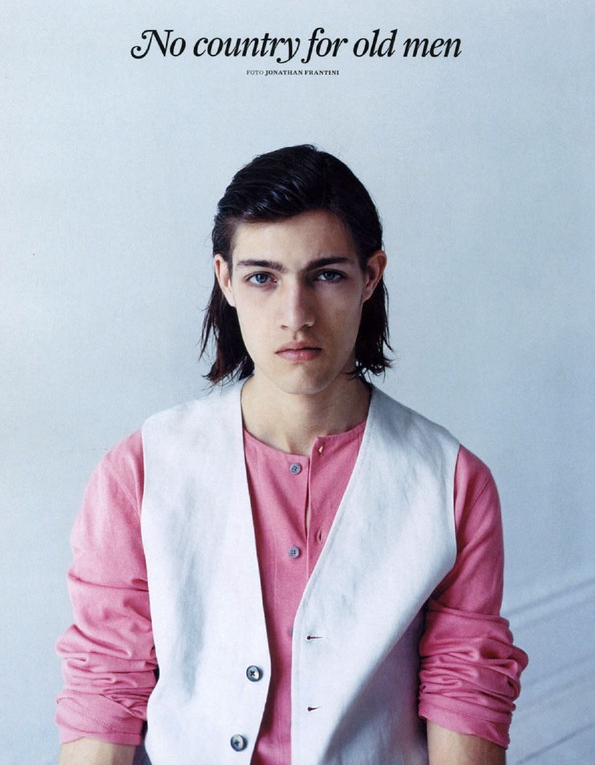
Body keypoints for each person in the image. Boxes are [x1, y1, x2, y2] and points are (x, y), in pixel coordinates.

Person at [56, 144, 527, 765]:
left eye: (326, 275)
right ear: (225, 279)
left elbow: (465, 687)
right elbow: (107, 680)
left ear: (371, 276)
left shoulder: (451, 482)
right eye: (263, 277)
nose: (295, 315)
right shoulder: (141, 470)